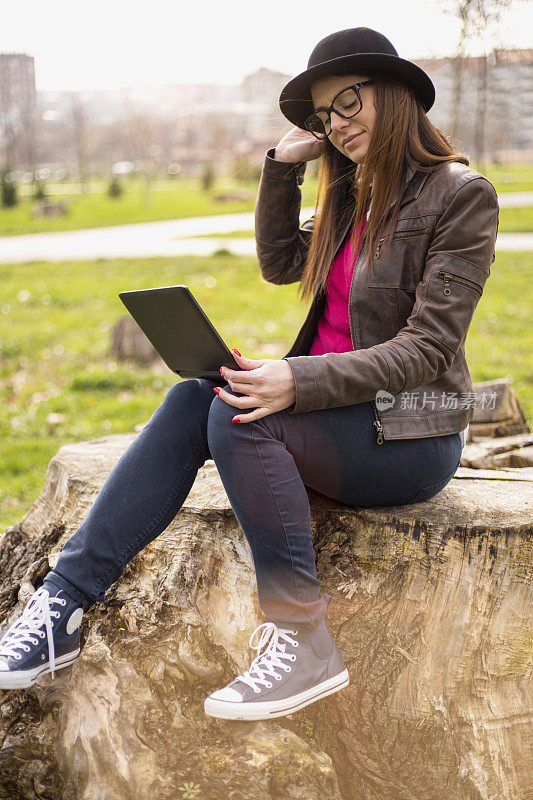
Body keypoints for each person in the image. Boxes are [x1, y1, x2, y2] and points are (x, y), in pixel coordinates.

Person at [0, 27, 498, 721]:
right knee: (196, 393)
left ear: (396, 94)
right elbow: (278, 264)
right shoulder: (354, 195)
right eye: (324, 114)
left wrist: (298, 382)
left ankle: (302, 639)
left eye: (347, 102)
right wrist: (282, 166)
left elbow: (429, 348)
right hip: (330, 414)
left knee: (235, 413)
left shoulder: (459, 195)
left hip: (408, 433)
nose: (336, 123)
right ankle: (61, 605)